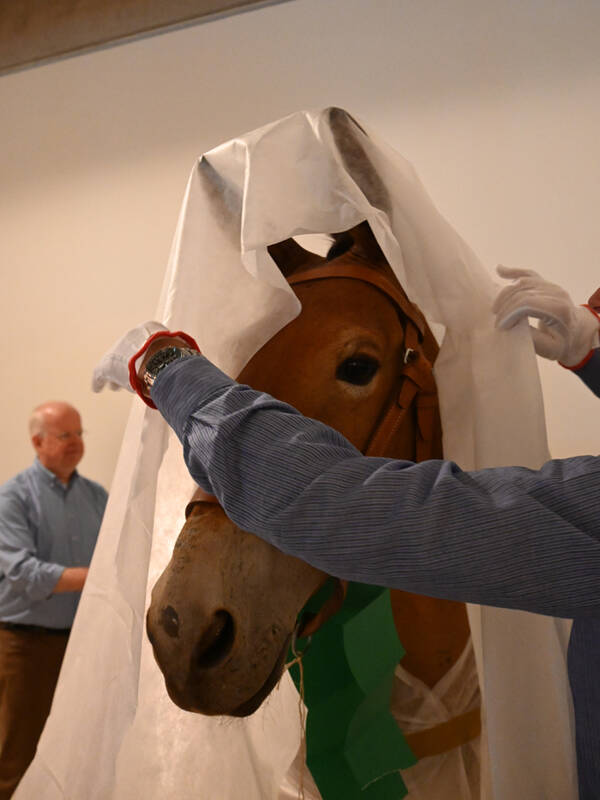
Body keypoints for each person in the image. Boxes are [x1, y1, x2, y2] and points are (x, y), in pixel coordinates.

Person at [0, 402, 107, 799]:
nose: (76, 443)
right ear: (37, 442)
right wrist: (96, 577)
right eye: (65, 435)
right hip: (26, 645)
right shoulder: (12, 498)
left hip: (81, 644)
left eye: (79, 433)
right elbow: (23, 573)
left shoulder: (97, 497)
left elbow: (117, 556)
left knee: (77, 749)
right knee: (19, 751)